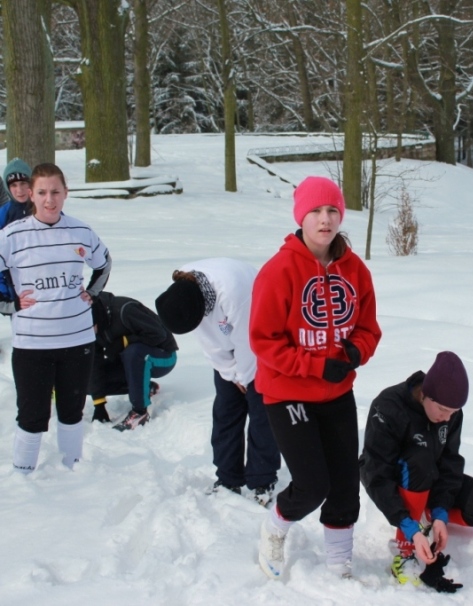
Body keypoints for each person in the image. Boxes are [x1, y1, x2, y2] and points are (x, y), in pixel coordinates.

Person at [250, 176, 382, 579]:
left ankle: (339, 560)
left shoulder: (354, 269)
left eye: (332, 211)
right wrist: (315, 365)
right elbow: (264, 341)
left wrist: (356, 351)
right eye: (316, 211)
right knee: (312, 484)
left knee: (344, 483)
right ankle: (273, 529)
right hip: (287, 392)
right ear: (301, 217)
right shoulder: (278, 271)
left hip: (337, 392)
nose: (325, 219)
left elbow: (368, 326)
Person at [360, 351, 473, 592]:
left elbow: (450, 463)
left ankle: (426, 515)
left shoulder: (450, 414)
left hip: (429, 479)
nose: (446, 417)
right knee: (421, 459)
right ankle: (405, 550)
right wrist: (408, 527)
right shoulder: (388, 407)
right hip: (391, 479)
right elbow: (377, 474)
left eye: (454, 412)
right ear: (425, 394)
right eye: (442, 409)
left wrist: (440, 513)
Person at [0, 163, 111, 474]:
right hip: (32, 343)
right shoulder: (11, 236)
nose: (50, 199)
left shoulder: (81, 232)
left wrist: (93, 292)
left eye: (56, 192)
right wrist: (10, 304)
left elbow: (103, 264)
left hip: (77, 340)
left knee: (72, 412)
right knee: (32, 415)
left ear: (66, 194)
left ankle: (72, 470)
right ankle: (24, 475)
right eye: (42, 193)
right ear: (31, 196)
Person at [155, 258, 281, 506]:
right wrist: (230, 374)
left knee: (262, 414)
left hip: (264, 340)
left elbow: (249, 342)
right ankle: (228, 478)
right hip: (231, 350)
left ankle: (262, 480)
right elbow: (210, 343)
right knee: (225, 412)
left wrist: (244, 377)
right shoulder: (183, 294)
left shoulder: (234, 292)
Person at [89, 291, 179, 430]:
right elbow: (95, 364)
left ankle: (140, 412)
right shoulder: (89, 330)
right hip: (131, 361)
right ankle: (145, 387)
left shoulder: (125, 310)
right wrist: (99, 405)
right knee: (86, 380)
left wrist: (125, 341)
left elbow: (159, 335)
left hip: (164, 356)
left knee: (134, 352)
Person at [0, 158, 34, 309]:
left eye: (23, 183)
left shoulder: (44, 207)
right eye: (14, 185)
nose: (19, 190)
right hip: (15, 289)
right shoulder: (4, 214)